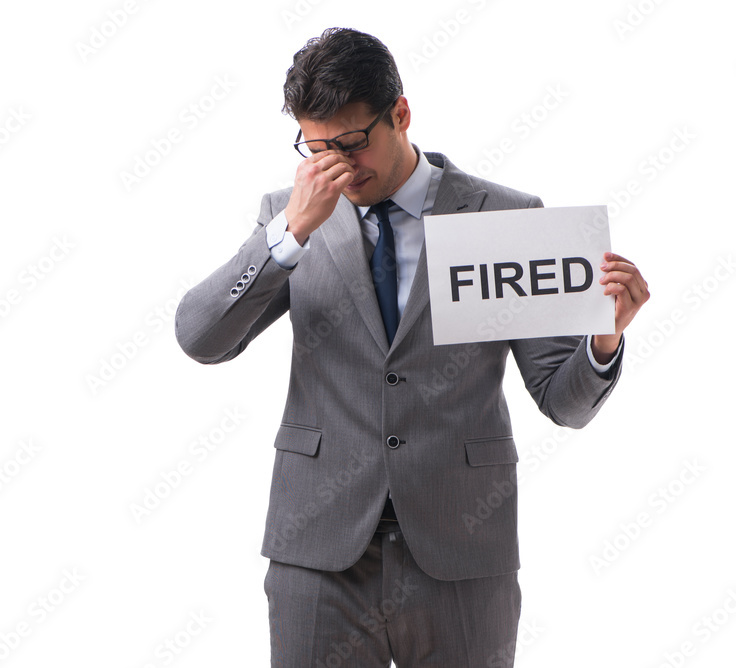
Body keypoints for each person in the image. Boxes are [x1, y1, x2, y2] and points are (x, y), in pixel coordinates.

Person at [174, 27, 648, 667]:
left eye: (351, 143)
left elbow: (564, 404)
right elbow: (201, 339)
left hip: (461, 546)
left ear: (399, 113)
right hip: (319, 548)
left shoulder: (504, 217)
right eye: (317, 148)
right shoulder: (288, 215)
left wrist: (603, 338)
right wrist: (288, 234)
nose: (339, 166)